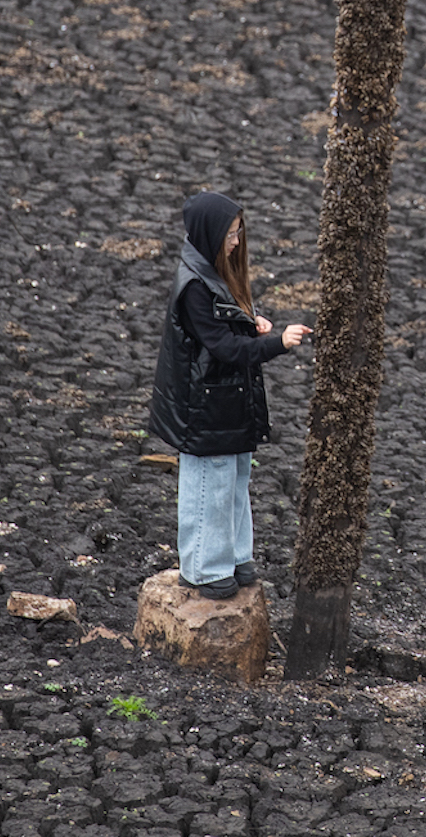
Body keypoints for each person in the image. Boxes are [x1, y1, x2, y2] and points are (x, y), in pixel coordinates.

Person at [147, 191, 311, 599]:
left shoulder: (210, 273)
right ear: (212, 234)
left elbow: (224, 329)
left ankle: (235, 557)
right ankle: (203, 567)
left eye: (239, 234)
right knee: (210, 485)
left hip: (223, 401)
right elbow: (223, 348)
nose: (237, 242)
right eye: (232, 235)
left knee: (234, 479)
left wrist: (249, 321)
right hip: (204, 407)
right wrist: (277, 343)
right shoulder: (195, 287)